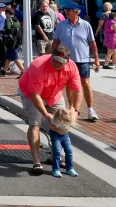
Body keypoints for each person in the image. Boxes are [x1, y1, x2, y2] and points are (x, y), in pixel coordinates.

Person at [18, 45, 83, 175]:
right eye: (55, 60)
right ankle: (37, 162)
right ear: (51, 56)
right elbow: (36, 95)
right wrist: (46, 114)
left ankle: (54, 157)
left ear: (67, 62)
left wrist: (75, 110)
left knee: (62, 123)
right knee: (35, 124)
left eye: (60, 62)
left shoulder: (72, 67)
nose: (57, 64)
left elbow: (77, 90)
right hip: (31, 94)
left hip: (54, 94)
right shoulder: (38, 66)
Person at [51, 3, 100, 122]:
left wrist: (96, 58)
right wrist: (52, 57)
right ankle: (72, 108)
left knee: (85, 82)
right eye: (66, 10)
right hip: (66, 61)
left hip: (82, 59)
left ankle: (90, 110)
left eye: (69, 10)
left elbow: (92, 43)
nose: (67, 12)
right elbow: (55, 42)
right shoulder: (61, 25)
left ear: (77, 12)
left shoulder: (86, 25)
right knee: (69, 84)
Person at [48, 108, 79, 178]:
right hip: (56, 135)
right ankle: (56, 169)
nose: (65, 123)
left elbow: (74, 112)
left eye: (66, 121)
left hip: (65, 136)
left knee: (69, 151)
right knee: (57, 151)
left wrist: (74, 109)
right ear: (59, 118)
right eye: (63, 121)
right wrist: (51, 126)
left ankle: (70, 168)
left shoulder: (70, 118)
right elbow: (48, 115)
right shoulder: (54, 120)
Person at [2, 7, 25, 77]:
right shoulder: (17, 21)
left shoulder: (8, 20)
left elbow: (7, 29)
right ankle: (4, 71)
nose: (6, 15)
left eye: (6, 13)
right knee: (8, 57)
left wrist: (3, 32)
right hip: (17, 41)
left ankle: (24, 72)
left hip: (11, 42)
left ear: (8, 13)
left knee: (15, 58)